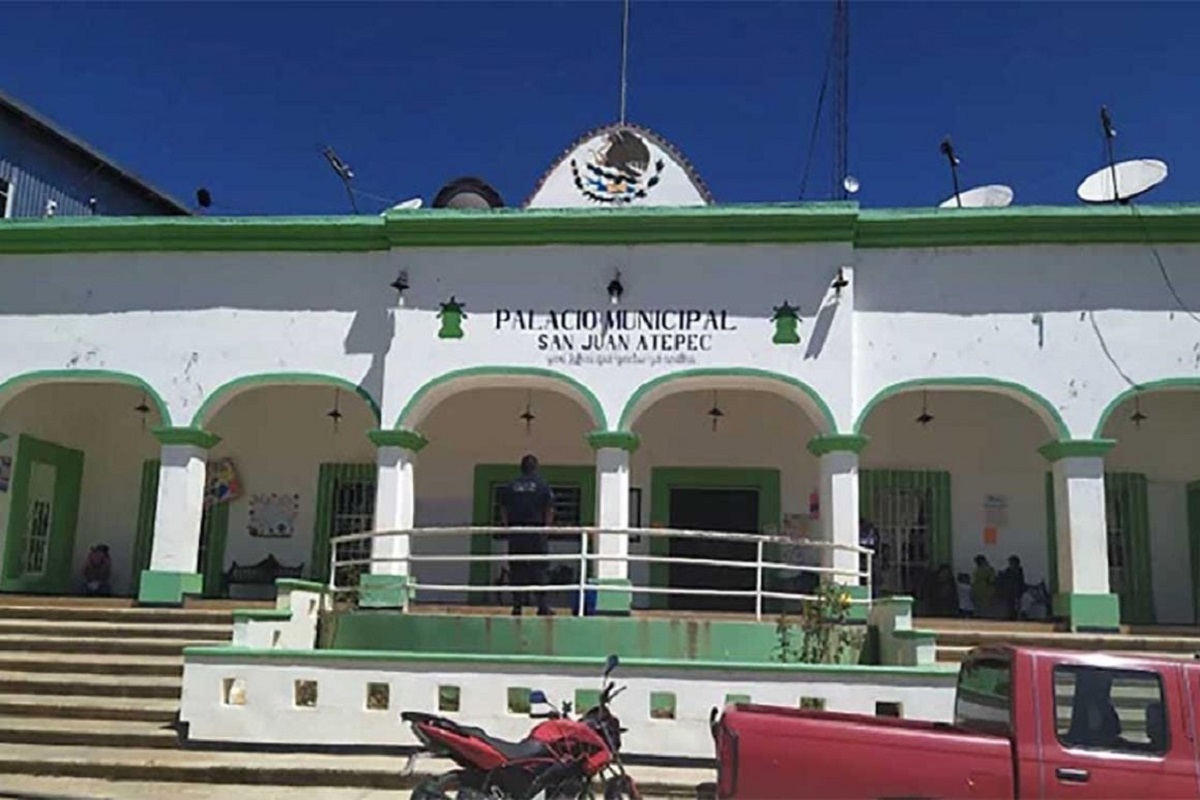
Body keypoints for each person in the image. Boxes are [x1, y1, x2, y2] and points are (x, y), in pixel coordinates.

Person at [498, 454, 555, 617]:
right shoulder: (542, 486)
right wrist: (547, 528)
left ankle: (517, 606)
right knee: (540, 568)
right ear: (535, 468)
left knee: (517, 568)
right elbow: (549, 509)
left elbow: (503, 508)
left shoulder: (511, 486)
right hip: (536, 533)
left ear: (521, 468)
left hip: (517, 533)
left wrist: (507, 527)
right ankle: (542, 606)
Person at [997, 555, 1027, 621]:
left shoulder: (1018, 571)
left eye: (1012, 562)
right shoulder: (1008, 571)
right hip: (1009, 593)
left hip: (1016, 592)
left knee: (1016, 607)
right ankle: (1011, 617)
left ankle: (1016, 617)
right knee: (1010, 607)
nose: (1010, 564)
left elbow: (1019, 582)